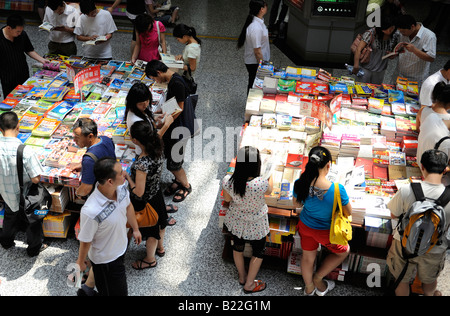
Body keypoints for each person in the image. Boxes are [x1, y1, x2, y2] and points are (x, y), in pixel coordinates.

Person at [387, 149, 450, 296]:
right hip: (435, 247)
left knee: (402, 280)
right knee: (429, 282)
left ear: (421, 166)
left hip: (404, 243)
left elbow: (393, 214)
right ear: (445, 170)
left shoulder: (407, 189)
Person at [76, 157, 142, 296]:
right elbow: (86, 240)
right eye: (120, 172)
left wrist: (135, 229)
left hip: (121, 249)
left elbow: (128, 206)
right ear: (110, 181)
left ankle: (87, 290)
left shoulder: (122, 188)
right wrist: (80, 262)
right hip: (105, 262)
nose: (124, 173)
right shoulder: (91, 211)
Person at [293, 146, 352, 296]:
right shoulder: (338, 189)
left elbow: (297, 204)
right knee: (344, 251)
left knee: (307, 257)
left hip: (305, 226)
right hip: (326, 232)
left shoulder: (300, 182)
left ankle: (309, 288)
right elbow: (348, 212)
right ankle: (318, 278)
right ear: (328, 166)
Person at [124, 121, 177, 269]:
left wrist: (128, 178)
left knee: (151, 230)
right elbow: (161, 132)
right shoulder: (158, 146)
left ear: (135, 140)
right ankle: (161, 248)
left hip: (145, 202)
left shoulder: (142, 164)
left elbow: (139, 192)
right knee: (161, 222)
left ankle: (150, 259)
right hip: (157, 194)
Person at [222, 146, 272, 294]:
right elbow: (270, 191)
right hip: (257, 223)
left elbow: (227, 199)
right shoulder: (260, 183)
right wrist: (270, 174)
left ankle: (242, 276)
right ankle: (250, 284)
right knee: (258, 251)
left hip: (236, 221)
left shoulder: (228, 181)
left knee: (237, 247)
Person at [145, 60, 193, 203]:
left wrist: (164, 122)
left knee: (174, 163)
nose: (156, 81)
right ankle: (178, 181)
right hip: (176, 128)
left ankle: (186, 186)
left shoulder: (176, 83)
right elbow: (174, 104)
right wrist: (162, 111)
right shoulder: (174, 80)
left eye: (154, 78)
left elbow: (179, 108)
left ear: (159, 73)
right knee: (173, 158)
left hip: (179, 129)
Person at [0, 112, 45, 257]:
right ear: (18, 127)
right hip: (24, 196)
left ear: (0, 130)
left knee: (9, 215)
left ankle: (6, 242)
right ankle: (33, 248)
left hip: (5, 193)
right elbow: (36, 179)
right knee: (32, 221)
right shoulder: (25, 151)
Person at [0, 14, 48, 98]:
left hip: (23, 74)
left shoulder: (22, 35)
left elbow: (29, 50)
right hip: (8, 78)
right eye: (17, 31)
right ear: (9, 28)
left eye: (21, 31)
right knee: (10, 102)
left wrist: (42, 60)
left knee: (24, 99)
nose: (20, 33)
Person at [71, 118, 116, 198]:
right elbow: (103, 157)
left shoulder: (89, 160)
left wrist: (78, 193)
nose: (74, 140)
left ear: (90, 136)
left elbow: (86, 189)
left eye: (77, 137)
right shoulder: (106, 139)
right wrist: (83, 165)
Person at [416, 83, 450, 184]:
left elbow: (417, 129)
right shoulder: (445, 139)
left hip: (420, 162)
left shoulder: (429, 115)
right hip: (432, 174)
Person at [125, 82, 173, 151]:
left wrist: (154, 119)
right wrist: (166, 125)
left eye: (147, 101)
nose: (145, 105)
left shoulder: (138, 110)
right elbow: (152, 141)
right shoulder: (136, 121)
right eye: (141, 104)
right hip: (148, 151)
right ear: (133, 103)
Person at [352, 16, 400, 84]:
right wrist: (356, 65)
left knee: (376, 90)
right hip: (366, 68)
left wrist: (392, 55)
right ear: (381, 29)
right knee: (361, 88)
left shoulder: (395, 35)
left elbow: (396, 50)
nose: (391, 30)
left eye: (392, 28)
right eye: (388, 29)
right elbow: (358, 49)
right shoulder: (371, 33)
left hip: (380, 70)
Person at [394, 14, 437, 87]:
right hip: (400, 75)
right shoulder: (401, 32)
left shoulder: (429, 36)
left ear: (412, 27)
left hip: (416, 80)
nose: (402, 34)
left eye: (403, 31)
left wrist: (414, 50)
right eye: (400, 32)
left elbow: (431, 58)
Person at [237, 0, 270, 94]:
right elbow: (257, 51)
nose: (267, 7)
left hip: (255, 61)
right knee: (254, 84)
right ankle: (250, 104)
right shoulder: (256, 28)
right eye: (265, 6)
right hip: (255, 62)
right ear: (261, 9)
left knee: (254, 83)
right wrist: (262, 66)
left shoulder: (258, 22)